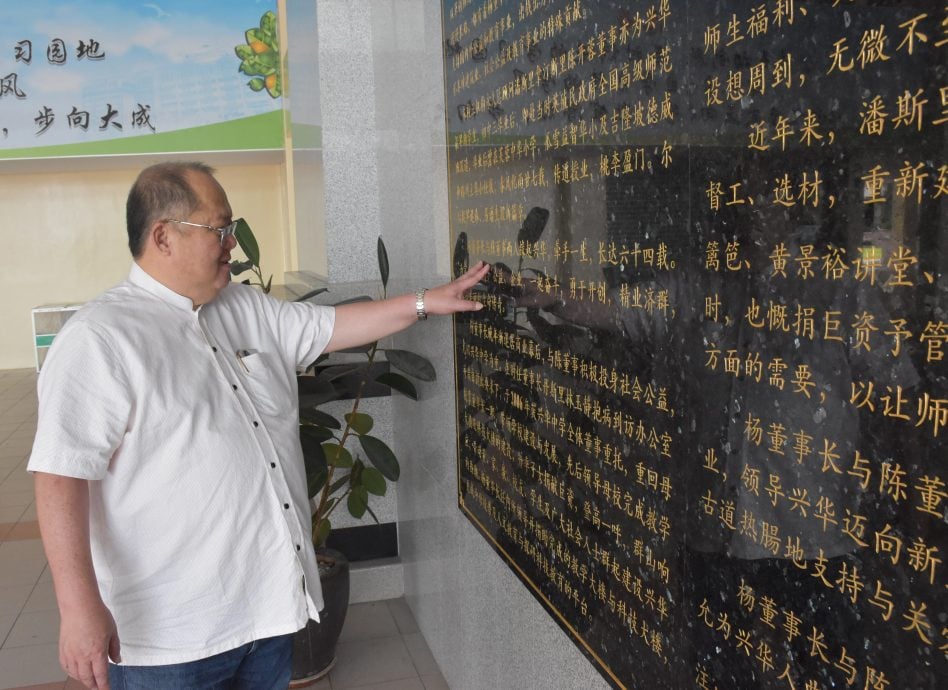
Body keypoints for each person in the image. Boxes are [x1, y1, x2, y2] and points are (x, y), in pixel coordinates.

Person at [27, 161, 490, 690]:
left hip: (267, 614)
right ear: (163, 237)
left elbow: (334, 325)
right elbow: (60, 476)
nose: (232, 243)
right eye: (218, 229)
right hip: (170, 639)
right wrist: (79, 606)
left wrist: (426, 301)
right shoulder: (100, 339)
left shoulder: (243, 307)